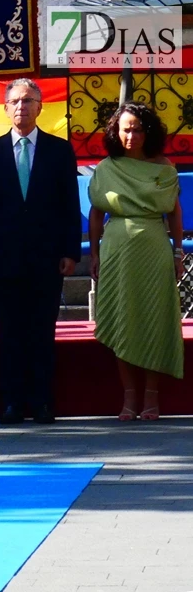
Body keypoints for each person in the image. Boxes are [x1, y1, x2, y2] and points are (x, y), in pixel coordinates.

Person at [0, 78, 82, 425]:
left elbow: (69, 204)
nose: (22, 107)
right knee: (11, 332)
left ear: (40, 107)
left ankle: (43, 402)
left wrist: (70, 251)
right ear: (5, 108)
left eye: (29, 101)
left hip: (47, 257)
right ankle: (13, 403)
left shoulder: (59, 150)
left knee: (42, 332)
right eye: (15, 101)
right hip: (3, 259)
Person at [88, 101, 185, 421]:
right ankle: (129, 398)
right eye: (126, 129)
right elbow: (96, 212)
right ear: (116, 131)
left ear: (149, 132)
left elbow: (173, 211)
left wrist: (177, 252)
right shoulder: (105, 168)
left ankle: (152, 399)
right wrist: (95, 254)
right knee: (122, 320)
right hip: (116, 249)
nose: (132, 135)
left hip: (154, 248)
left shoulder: (164, 167)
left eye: (138, 129)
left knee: (154, 319)